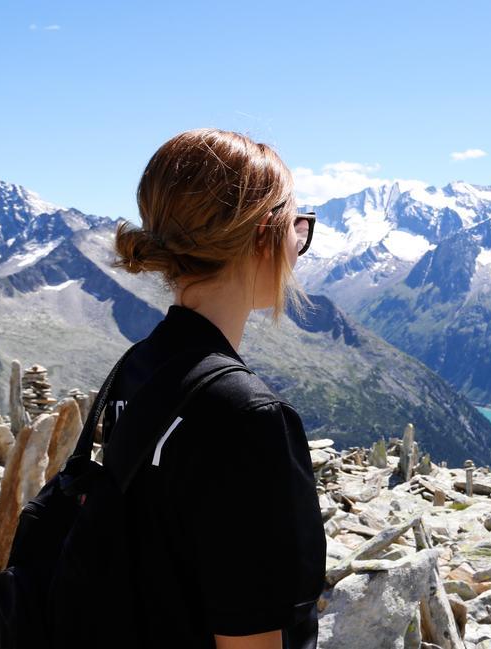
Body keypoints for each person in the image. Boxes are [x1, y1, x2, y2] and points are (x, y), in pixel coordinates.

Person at [107, 128, 326, 649]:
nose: (301, 242)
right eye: (298, 224)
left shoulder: (135, 370)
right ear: (261, 236)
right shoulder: (249, 419)